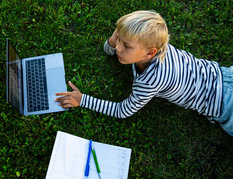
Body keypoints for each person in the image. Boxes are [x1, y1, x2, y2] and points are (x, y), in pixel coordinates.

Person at [55, 10, 233, 136]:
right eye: (119, 39)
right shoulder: (156, 43)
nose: (117, 47)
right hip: (224, 75)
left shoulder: (150, 80)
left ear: (150, 53)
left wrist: (82, 99)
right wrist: (116, 38)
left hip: (223, 105)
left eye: (126, 46)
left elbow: (122, 110)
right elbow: (109, 49)